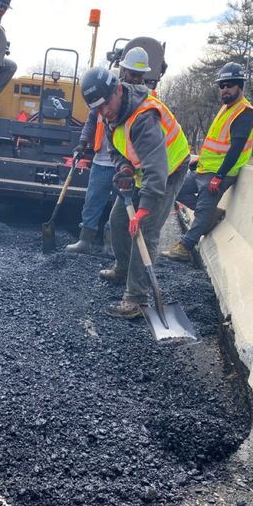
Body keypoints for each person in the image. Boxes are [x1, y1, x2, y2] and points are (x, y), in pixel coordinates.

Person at [80, 67, 190, 319]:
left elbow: (158, 171)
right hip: (143, 171)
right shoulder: (108, 115)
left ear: (118, 89)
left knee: (145, 230)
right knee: (117, 220)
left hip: (169, 170)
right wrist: (125, 169)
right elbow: (117, 152)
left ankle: (137, 298)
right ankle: (122, 269)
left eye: (107, 103)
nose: (104, 110)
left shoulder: (143, 117)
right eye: (98, 107)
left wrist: (142, 211)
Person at [161, 62, 253, 261]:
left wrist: (220, 176)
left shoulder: (244, 112)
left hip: (220, 173)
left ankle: (185, 247)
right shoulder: (226, 108)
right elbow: (216, 142)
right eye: (221, 85)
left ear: (240, 86)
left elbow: (236, 148)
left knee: (204, 209)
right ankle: (211, 216)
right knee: (175, 188)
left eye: (229, 85)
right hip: (204, 168)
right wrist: (199, 161)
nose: (224, 90)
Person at [66, 47, 152, 255]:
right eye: (132, 74)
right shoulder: (103, 91)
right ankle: (85, 240)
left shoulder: (142, 100)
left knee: (120, 206)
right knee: (93, 200)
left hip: (125, 164)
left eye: (140, 76)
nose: (136, 79)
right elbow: (91, 121)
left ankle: (111, 244)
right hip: (102, 160)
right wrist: (82, 142)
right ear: (123, 70)